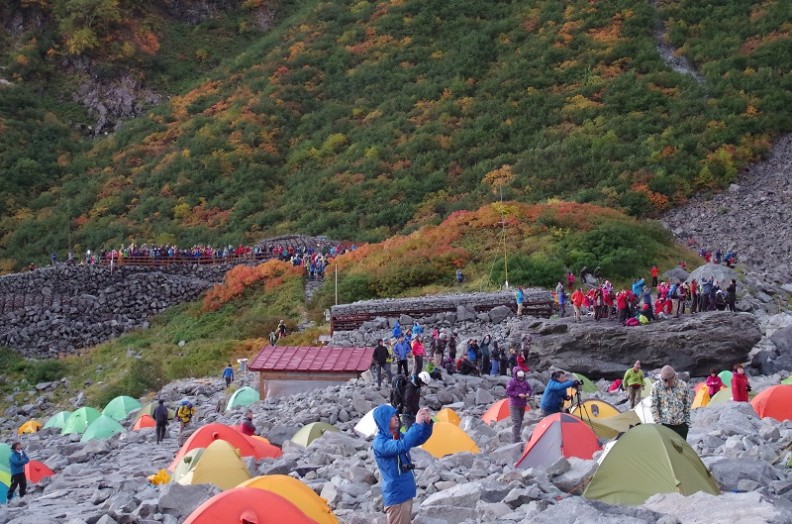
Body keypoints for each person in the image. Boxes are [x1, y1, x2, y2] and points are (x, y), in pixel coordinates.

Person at [372, 404, 433, 524]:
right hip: (397, 495)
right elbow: (402, 446)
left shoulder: (396, 436)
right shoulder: (380, 442)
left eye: (396, 415)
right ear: (384, 420)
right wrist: (416, 424)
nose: (396, 418)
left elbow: (418, 439)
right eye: (392, 416)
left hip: (405, 492)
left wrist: (425, 424)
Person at [650, 366, 691, 440]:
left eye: (668, 381)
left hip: (681, 424)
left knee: (681, 450)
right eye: (664, 380)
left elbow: (687, 404)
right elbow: (654, 406)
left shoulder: (683, 385)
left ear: (674, 377)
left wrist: (687, 423)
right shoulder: (655, 387)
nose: (666, 383)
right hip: (665, 425)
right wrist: (658, 424)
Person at [506, 369, 532, 443]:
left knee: (520, 421)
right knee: (516, 422)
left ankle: (517, 436)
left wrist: (527, 394)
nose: (521, 379)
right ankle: (516, 439)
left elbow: (529, 390)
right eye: (520, 377)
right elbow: (508, 392)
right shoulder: (512, 382)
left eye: (522, 377)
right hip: (514, 405)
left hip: (522, 404)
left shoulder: (525, 382)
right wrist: (518, 394)